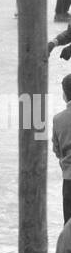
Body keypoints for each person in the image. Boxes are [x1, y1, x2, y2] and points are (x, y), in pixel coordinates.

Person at [54, 75, 71, 229]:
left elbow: (57, 150)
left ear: (65, 95)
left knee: (69, 227)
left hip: (69, 179)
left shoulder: (58, 120)